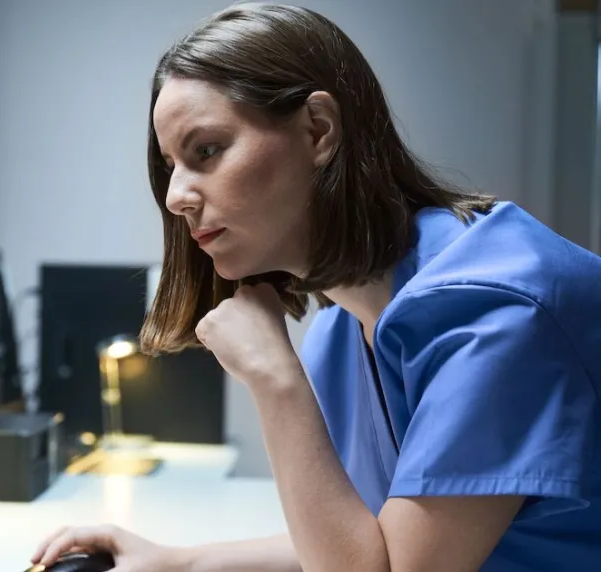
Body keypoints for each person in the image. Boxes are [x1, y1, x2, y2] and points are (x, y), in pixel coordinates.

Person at [31, 3, 601, 571]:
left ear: (318, 131)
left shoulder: (492, 310)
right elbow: (372, 545)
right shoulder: (339, 331)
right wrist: (178, 562)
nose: (177, 194)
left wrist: (275, 380)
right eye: (172, 164)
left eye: (206, 150)